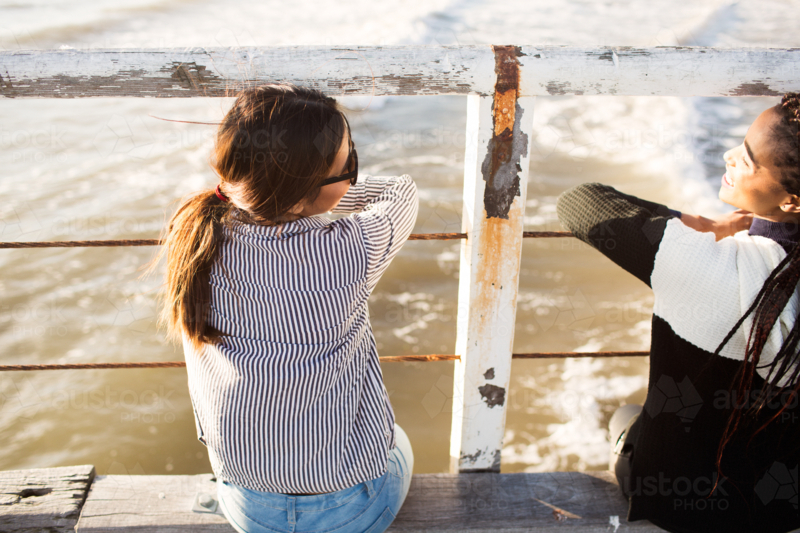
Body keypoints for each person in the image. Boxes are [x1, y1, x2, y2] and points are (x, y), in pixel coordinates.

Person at [145, 84, 418, 533]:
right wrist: (327, 193)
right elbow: (401, 192)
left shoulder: (193, 235)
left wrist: (297, 190)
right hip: (350, 512)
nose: (352, 170)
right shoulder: (352, 248)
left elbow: (276, 194)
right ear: (312, 186)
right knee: (398, 440)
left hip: (248, 509)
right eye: (348, 163)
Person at [557, 92, 800, 533]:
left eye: (746, 158)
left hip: (676, 506)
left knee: (623, 416)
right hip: (784, 509)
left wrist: (700, 224)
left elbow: (580, 202)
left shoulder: (698, 257)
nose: (728, 155)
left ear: (792, 201)